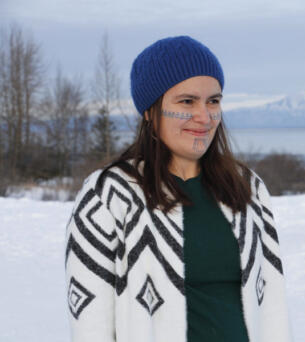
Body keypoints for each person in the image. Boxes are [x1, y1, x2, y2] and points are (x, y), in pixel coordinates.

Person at [64, 35, 293, 342]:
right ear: (149, 110)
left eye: (213, 100)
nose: (204, 116)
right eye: (187, 101)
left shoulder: (247, 187)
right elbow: (89, 324)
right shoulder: (110, 195)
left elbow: (273, 306)